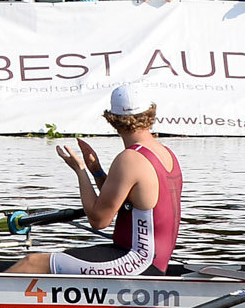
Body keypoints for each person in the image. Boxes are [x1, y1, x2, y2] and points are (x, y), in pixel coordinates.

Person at [9, 84, 181, 277]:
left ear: (112, 120)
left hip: (135, 264)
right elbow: (125, 203)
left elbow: (99, 220)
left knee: (32, 263)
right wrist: (96, 171)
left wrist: (80, 170)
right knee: (58, 259)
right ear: (150, 113)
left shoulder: (130, 159)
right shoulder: (166, 154)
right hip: (154, 263)